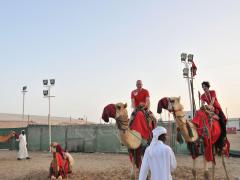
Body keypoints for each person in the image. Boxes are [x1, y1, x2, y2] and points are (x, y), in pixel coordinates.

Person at [200, 81, 227, 149]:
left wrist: (209, 106)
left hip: (216, 108)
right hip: (209, 109)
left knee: (222, 121)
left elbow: (212, 100)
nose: (204, 88)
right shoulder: (202, 96)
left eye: (205, 86)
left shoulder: (212, 92)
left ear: (208, 86)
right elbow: (202, 103)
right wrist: (203, 106)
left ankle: (224, 136)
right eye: (203, 87)